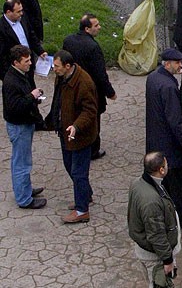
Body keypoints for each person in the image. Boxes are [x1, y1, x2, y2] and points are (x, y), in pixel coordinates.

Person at [145, 48, 182, 228]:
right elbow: (175, 121)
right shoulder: (169, 87)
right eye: (177, 63)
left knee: (163, 185)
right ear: (167, 64)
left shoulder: (153, 78)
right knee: (177, 184)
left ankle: (166, 215)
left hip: (155, 140)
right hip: (169, 146)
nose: (180, 66)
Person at [45, 50, 98, 224]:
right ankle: (85, 194)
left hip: (80, 136)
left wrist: (76, 126)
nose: (54, 69)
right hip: (65, 131)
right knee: (69, 166)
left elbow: (90, 111)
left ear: (67, 66)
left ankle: (82, 210)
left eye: (57, 66)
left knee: (78, 172)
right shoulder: (62, 77)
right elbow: (58, 100)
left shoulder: (84, 82)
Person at [63, 14, 116, 160]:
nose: (99, 28)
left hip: (72, 85)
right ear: (87, 29)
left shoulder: (68, 41)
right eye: (96, 25)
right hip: (90, 89)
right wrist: (110, 92)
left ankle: (74, 141)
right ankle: (93, 150)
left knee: (76, 114)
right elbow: (100, 74)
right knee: (92, 117)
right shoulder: (93, 47)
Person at [128, 152, 181, 288]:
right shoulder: (151, 201)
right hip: (155, 257)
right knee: (159, 285)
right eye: (166, 164)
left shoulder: (138, 183)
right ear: (161, 170)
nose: (168, 165)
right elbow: (156, 235)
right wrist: (168, 260)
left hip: (151, 251)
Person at [2, 45, 47, 209]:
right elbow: (15, 107)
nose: (30, 63)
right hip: (19, 126)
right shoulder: (12, 81)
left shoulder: (19, 74)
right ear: (16, 62)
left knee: (20, 161)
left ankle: (24, 190)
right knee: (22, 163)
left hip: (23, 124)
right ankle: (24, 199)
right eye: (26, 61)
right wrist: (32, 96)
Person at [0, 0, 47, 85]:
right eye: (18, 11)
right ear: (8, 12)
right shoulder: (1, 28)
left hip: (28, 63)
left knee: (31, 85)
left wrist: (40, 51)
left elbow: (31, 35)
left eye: (21, 10)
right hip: (15, 69)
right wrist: (6, 75)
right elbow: (1, 55)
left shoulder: (23, 18)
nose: (21, 13)